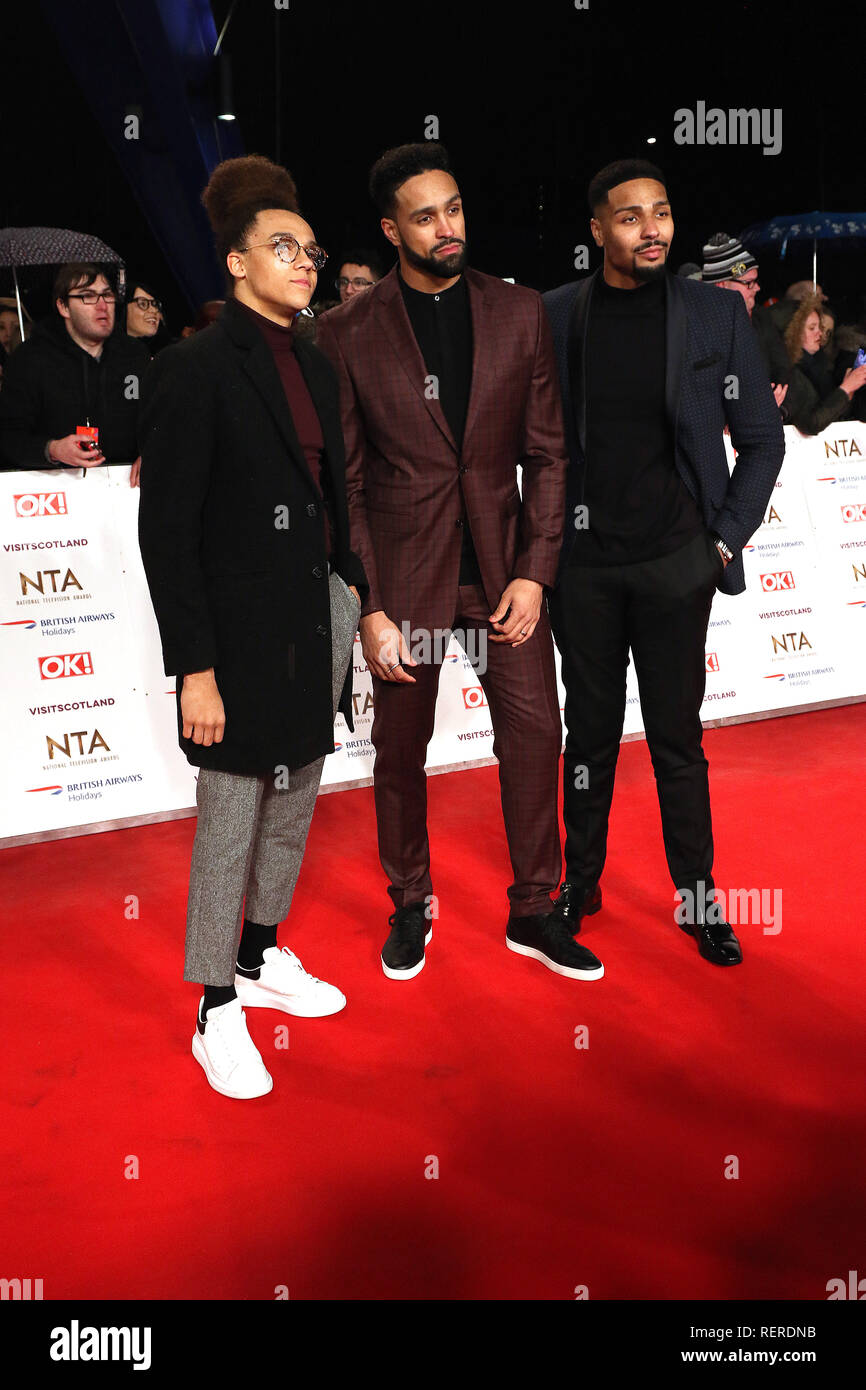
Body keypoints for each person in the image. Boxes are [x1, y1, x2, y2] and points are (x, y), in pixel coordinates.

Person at [317, 141, 603, 983]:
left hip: (506, 576)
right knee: (401, 755)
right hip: (406, 584)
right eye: (425, 216)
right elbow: (351, 482)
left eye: (455, 209)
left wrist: (534, 572)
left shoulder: (517, 312)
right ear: (390, 229)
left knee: (533, 736)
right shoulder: (347, 332)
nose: (447, 228)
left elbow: (550, 456)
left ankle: (535, 911)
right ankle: (411, 905)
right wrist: (367, 606)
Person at [138, 154, 367, 1099]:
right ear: (237, 263)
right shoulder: (193, 368)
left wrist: (349, 594)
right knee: (230, 820)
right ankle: (211, 1004)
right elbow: (167, 533)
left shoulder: (317, 358)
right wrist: (195, 669)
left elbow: (328, 496)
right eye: (282, 248)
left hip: (317, 616)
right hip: (233, 636)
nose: (304, 262)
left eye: (310, 248)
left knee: (296, 795)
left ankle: (262, 956)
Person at [543, 158, 785, 967]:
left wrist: (720, 543)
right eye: (629, 216)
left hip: (677, 563)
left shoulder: (714, 315)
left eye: (662, 213)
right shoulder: (555, 316)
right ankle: (581, 883)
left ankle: (698, 898)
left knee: (677, 740)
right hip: (583, 568)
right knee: (589, 739)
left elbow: (761, 439)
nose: (651, 229)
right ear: (597, 231)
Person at [0, 263, 148, 471]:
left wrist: (151, 452)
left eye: (107, 295)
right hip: (58, 487)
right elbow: (9, 435)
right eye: (87, 296)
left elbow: (161, 420)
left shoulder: (135, 354)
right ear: (63, 307)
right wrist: (52, 449)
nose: (102, 305)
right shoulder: (30, 360)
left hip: (128, 484)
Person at [701, 232, 790, 414]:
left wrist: (779, 405)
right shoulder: (698, 328)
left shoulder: (761, 318)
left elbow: (782, 367)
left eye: (756, 281)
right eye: (748, 283)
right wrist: (737, 412)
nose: (757, 288)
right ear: (722, 286)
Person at [782, 294, 866, 434]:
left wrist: (848, 390)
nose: (819, 333)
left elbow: (836, 416)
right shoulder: (788, 373)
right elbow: (811, 423)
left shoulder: (821, 366)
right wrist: (846, 387)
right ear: (794, 333)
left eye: (819, 327)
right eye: (812, 328)